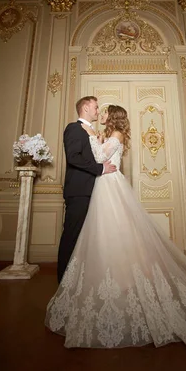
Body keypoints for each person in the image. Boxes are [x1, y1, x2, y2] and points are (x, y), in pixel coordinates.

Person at [46, 105, 186, 351]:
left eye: (104, 113)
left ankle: (124, 282)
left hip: (109, 186)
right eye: (98, 110)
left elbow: (99, 157)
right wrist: (96, 137)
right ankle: (113, 281)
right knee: (108, 236)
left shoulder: (115, 136)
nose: (100, 114)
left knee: (116, 233)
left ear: (112, 117)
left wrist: (93, 137)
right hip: (103, 186)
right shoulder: (109, 135)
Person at [56, 96, 116, 283]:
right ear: (85, 108)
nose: (98, 111)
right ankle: (63, 282)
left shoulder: (90, 131)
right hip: (79, 191)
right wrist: (100, 169)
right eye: (96, 107)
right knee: (72, 236)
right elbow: (73, 157)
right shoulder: (74, 128)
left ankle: (81, 280)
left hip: (95, 191)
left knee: (89, 239)